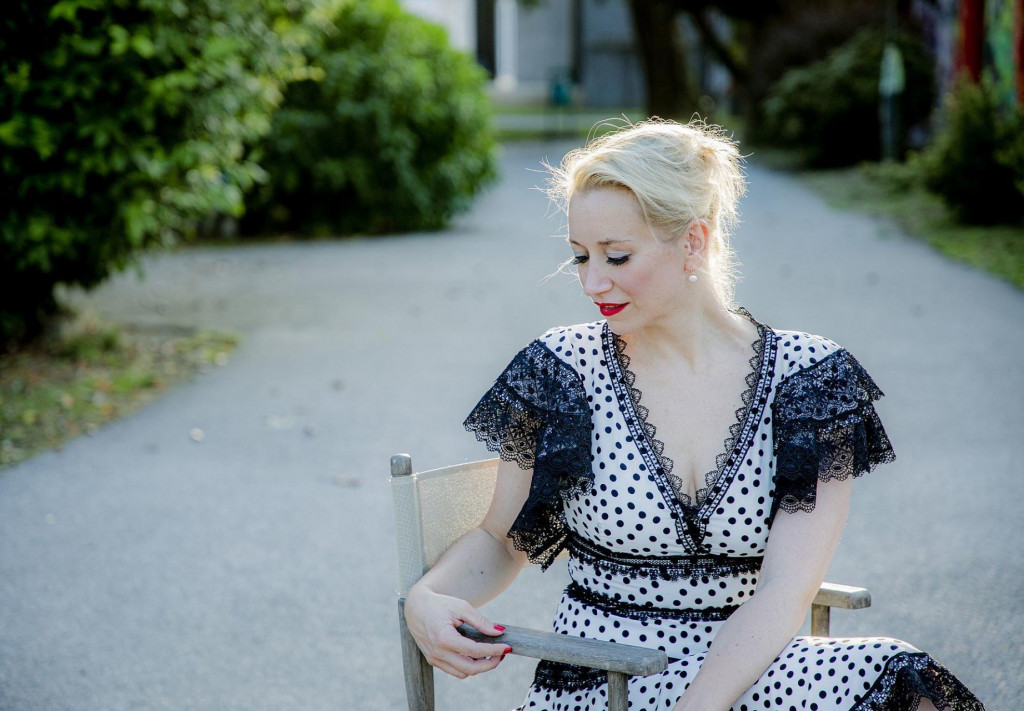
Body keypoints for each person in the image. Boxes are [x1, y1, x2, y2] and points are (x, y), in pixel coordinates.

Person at [403, 119, 984, 711]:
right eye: (580, 256)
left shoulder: (810, 380)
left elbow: (784, 592)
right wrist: (425, 598)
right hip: (607, 679)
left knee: (905, 681)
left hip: (749, 670)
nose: (592, 281)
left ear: (693, 242)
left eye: (617, 256)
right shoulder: (563, 370)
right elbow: (503, 541)